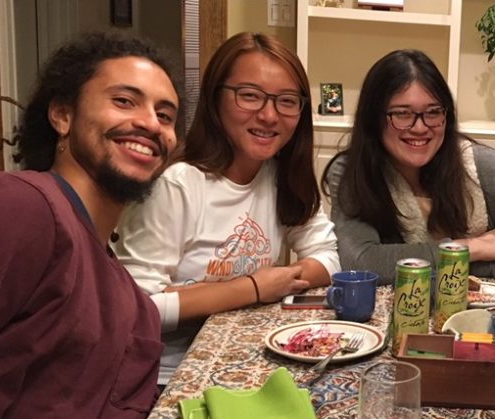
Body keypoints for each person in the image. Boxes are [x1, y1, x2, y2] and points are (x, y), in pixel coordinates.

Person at [115, 32, 340, 385]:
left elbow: (328, 259)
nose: (269, 115)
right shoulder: (178, 184)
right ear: (215, 98)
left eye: (286, 101)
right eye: (249, 95)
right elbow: (138, 310)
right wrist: (252, 288)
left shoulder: (280, 175)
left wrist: (277, 279)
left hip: (244, 361)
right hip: (165, 377)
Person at [0, 32, 179, 417]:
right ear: (62, 115)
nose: (151, 124)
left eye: (165, 115)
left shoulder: (131, 298)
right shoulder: (19, 208)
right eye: (124, 101)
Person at [322, 49, 495, 284]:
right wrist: (471, 248)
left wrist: (453, 267)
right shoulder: (352, 172)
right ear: (373, 118)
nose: (420, 127)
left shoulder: (484, 167)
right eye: (402, 114)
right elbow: (360, 263)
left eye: (433, 112)